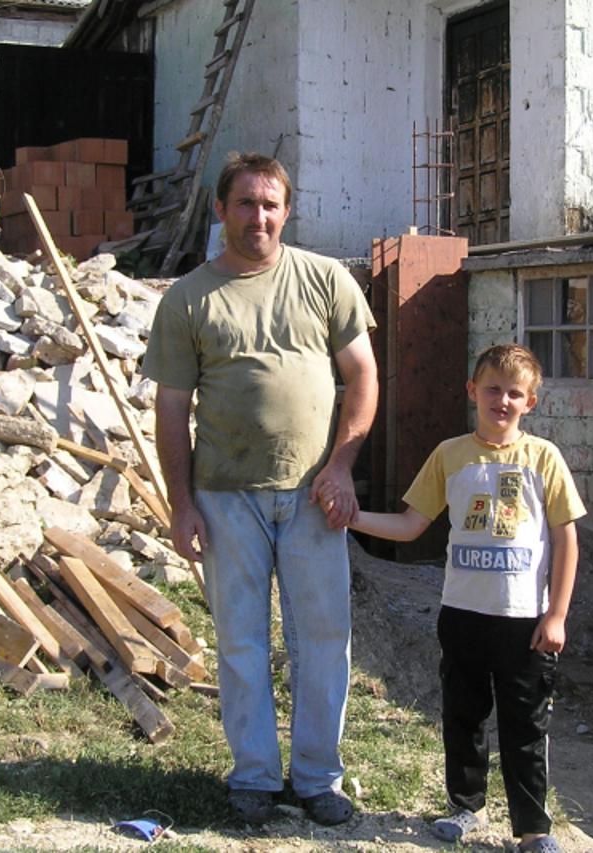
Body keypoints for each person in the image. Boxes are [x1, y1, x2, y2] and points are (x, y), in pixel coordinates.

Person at [143, 152, 377, 827]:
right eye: (245, 203)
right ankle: (253, 775)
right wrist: (181, 503)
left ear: (287, 209)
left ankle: (315, 778)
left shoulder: (325, 279)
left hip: (313, 496)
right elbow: (170, 409)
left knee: (324, 636)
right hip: (225, 496)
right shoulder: (189, 297)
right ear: (221, 210)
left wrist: (342, 465)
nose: (259, 216)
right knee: (241, 641)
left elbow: (362, 375)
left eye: (271, 203)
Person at [347, 343, 585, 853]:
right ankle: (465, 808)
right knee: (463, 716)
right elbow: (411, 525)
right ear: (472, 391)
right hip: (461, 617)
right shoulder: (450, 455)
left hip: (524, 621)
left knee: (525, 726)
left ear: (531, 403)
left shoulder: (544, 458)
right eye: (493, 389)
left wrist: (558, 614)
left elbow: (566, 540)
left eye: (515, 393)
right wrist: (353, 517)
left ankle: (533, 830)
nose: (502, 400)